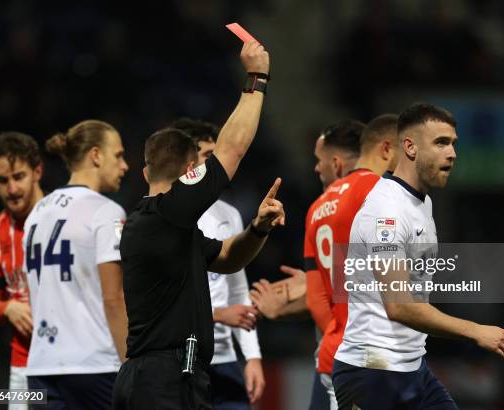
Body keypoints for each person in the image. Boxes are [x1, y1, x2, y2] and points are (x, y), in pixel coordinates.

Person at [113, 41, 281, 409]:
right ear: (192, 172)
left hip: (149, 377)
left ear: (145, 172)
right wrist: (257, 77)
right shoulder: (169, 214)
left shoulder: (159, 224)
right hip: (167, 379)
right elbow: (231, 151)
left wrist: (258, 228)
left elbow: (226, 258)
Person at [333, 103, 504, 409]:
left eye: (453, 144)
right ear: (409, 147)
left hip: (412, 368)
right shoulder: (388, 211)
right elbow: (399, 306)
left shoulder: (422, 204)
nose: (452, 154)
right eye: (441, 143)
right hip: (373, 370)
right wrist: (475, 331)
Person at [250, 119, 365, 410]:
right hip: (339, 360)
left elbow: (360, 298)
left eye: (319, 160)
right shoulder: (364, 204)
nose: (315, 168)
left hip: (354, 363)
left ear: (337, 163)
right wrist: (315, 285)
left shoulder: (332, 210)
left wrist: (308, 291)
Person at [24, 120, 129, 409]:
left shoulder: (36, 213)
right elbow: (113, 298)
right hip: (93, 366)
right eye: (118, 155)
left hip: (41, 366)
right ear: (96, 155)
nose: (125, 166)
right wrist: (131, 365)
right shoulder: (106, 211)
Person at [306, 114, 399, 410]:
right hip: (373, 351)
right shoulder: (377, 190)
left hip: (335, 349)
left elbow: (318, 297)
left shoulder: (316, 208)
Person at [171, 117, 265, 408]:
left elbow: (238, 289)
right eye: (208, 157)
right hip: (181, 358)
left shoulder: (228, 213)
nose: (216, 167)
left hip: (225, 359)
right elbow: (159, 298)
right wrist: (216, 315)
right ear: (186, 161)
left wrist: (252, 357)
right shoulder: (164, 215)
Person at [0, 132, 44, 409]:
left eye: (19, 177)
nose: (12, 189)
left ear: (37, 171)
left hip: (72, 362)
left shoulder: (64, 219)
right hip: (22, 364)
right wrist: (8, 309)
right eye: (3, 181)